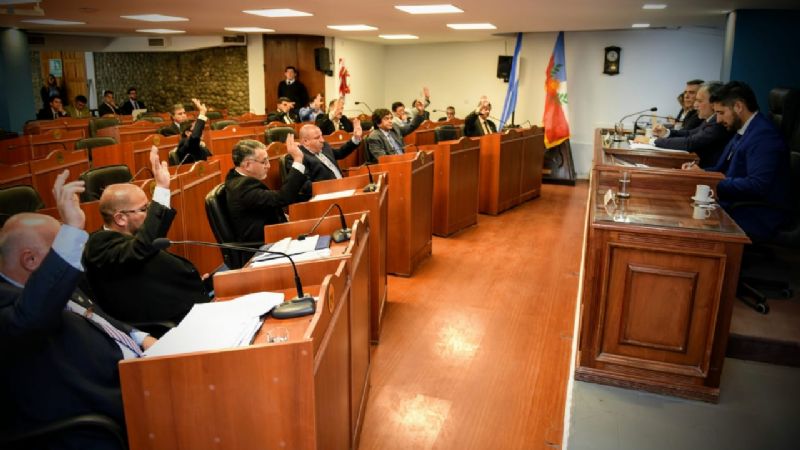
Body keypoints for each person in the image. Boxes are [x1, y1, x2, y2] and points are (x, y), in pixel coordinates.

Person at [1, 171, 155, 450]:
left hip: (139, 370)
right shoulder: (13, 304)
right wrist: (71, 229)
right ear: (30, 259)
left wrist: (139, 336)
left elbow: (93, 313)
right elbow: (32, 318)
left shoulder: (48, 282)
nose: (69, 259)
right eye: (58, 249)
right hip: (105, 411)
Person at [83, 147, 211, 324]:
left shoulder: (135, 237)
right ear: (120, 218)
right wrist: (162, 190)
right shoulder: (98, 245)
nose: (150, 213)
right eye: (145, 209)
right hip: (174, 321)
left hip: (192, 299)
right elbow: (141, 248)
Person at [682, 81, 791, 241]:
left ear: (738, 106)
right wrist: (702, 173)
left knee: (689, 228)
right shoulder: (743, 130)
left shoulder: (764, 137)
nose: (718, 120)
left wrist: (709, 181)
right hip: (736, 202)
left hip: (756, 213)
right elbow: (721, 168)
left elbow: (757, 186)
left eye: (721, 112)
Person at [225, 135, 309, 244]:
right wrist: (298, 159)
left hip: (274, 235)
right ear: (247, 165)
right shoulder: (242, 187)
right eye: (264, 162)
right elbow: (282, 198)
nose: (268, 166)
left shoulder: (238, 179)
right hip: (263, 246)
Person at [646, 82, 734, 168]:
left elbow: (690, 143)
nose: (695, 105)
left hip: (708, 171)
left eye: (699, 101)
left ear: (713, 103)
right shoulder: (709, 120)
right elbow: (689, 133)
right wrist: (666, 132)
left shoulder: (717, 122)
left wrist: (652, 141)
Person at [295, 120, 362, 182]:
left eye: (321, 136)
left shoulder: (324, 146)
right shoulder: (300, 157)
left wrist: (355, 138)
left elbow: (340, 153)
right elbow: (305, 185)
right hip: (328, 191)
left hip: (343, 185)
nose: (322, 140)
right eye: (317, 138)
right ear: (306, 141)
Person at [175, 98, 212, 164]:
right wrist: (202, 113)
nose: (200, 132)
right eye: (196, 129)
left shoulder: (200, 145)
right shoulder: (185, 144)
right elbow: (195, 137)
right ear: (187, 133)